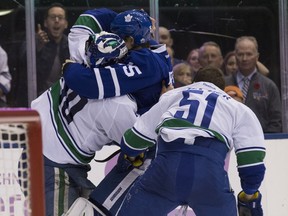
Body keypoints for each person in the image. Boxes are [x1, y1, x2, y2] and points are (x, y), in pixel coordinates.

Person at [117, 66, 266, 216]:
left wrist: (132, 156)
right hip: (208, 176)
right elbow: (252, 164)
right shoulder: (237, 107)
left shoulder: (174, 95)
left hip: (166, 170)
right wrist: (249, 194)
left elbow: (132, 141)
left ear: (194, 83)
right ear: (223, 89)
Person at [225, 36, 282, 133]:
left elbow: (276, 122)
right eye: (240, 54)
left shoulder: (268, 86)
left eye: (249, 54)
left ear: (257, 57)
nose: (244, 58)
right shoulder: (224, 84)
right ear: (235, 56)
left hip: (262, 142)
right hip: (229, 142)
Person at [36, 3, 70, 95]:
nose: (56, 20)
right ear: (45, 23)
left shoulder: (71, 45)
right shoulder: (36, 42)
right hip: (40, 97)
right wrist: (38, 46)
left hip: (65, 99)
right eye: (53, 17)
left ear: (66, 24)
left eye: (60, 17)